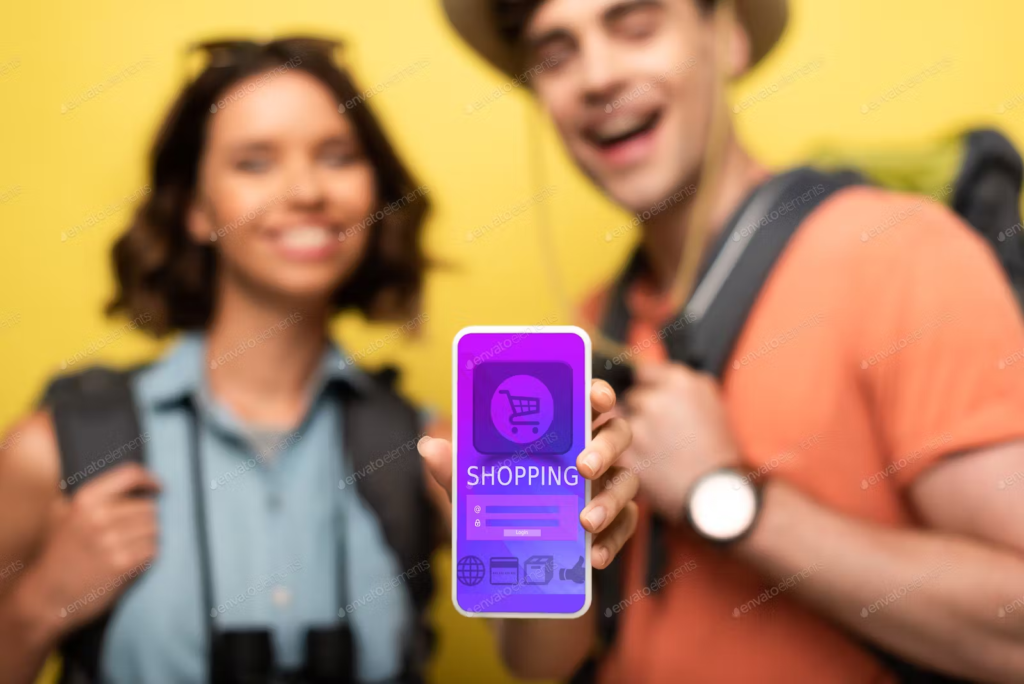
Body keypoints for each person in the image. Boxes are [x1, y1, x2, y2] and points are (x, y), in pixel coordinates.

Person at [0, 36, 639, 684]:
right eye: (254, 162)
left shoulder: (430, 452)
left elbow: (545, 664)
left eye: (337, 157)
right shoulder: (55, 453)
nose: (306, 190)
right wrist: (37, 607)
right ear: (196, 208)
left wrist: (558, 538)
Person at [430, 0, 1024, 681]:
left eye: (635, 24)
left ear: (730, 40)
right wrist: (515, 551)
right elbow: (541, 665)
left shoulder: (898, 253)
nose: (595, 76)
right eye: (557, 52)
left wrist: (724, 496)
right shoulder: (590, 329)